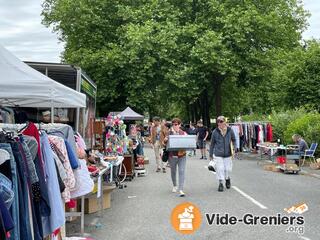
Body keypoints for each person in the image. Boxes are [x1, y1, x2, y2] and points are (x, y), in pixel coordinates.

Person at [209, 116, 236, 192]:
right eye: (218, 122)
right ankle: (221, 183)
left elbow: (234, 140)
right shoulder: (215, 132)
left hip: (228, 153)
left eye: (221, 121)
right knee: (220, 169)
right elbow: (212, 144)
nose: (220, 123)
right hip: (218, 154)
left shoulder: (230, 130)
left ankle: (227, 178)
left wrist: (235, 148)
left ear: (225, 122)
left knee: (227, 169)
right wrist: (211, 154)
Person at [164, 118, 188, 197]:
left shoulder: (183, 133)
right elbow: (163, 143)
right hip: (172, 156)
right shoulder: (169, 133)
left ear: (180, 125)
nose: (175, 126)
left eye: (176, 124)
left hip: (182, 155)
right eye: (173, 124)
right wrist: (165, 140)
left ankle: (181, 189)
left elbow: (188, 142)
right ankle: (174, 185)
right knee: (173, 171)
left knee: (181, 171)